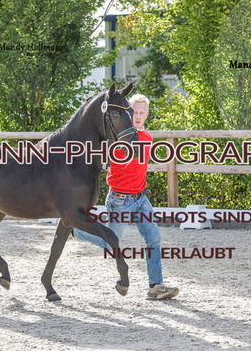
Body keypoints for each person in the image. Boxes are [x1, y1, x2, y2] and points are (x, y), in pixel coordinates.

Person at [73, 93, 179, 300]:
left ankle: (156, 286)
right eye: (134, 112)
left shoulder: (148, 138)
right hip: (120, 200)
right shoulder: (117, 138)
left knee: (153, 238)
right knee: (109, 243)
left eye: (141, 113)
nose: (137, 116)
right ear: (127, 113)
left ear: (146, 115)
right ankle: (75, 231)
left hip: (141, 198)